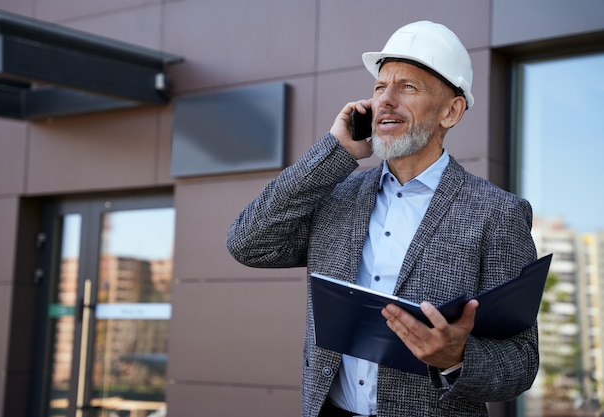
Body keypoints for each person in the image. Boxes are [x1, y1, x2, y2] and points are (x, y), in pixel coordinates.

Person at [226, 20, 538, 417]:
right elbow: (247, 242)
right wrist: (334, 152)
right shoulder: (337, 196)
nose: (385, 100)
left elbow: (521, 361)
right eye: (379, 87)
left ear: (451, 110)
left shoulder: (497, 213)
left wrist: (456, 357)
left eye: (407, 87)